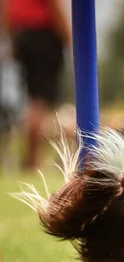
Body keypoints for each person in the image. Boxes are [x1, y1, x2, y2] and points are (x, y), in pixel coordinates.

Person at [2, 0, 71, 170]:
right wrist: (70, 37)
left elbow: (6, 8)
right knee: (41, 102)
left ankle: (32, 160)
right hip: (44, 35)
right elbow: (54, 4)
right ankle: (34, 162)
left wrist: (12, 38)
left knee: (34, 100)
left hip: (22, 34)